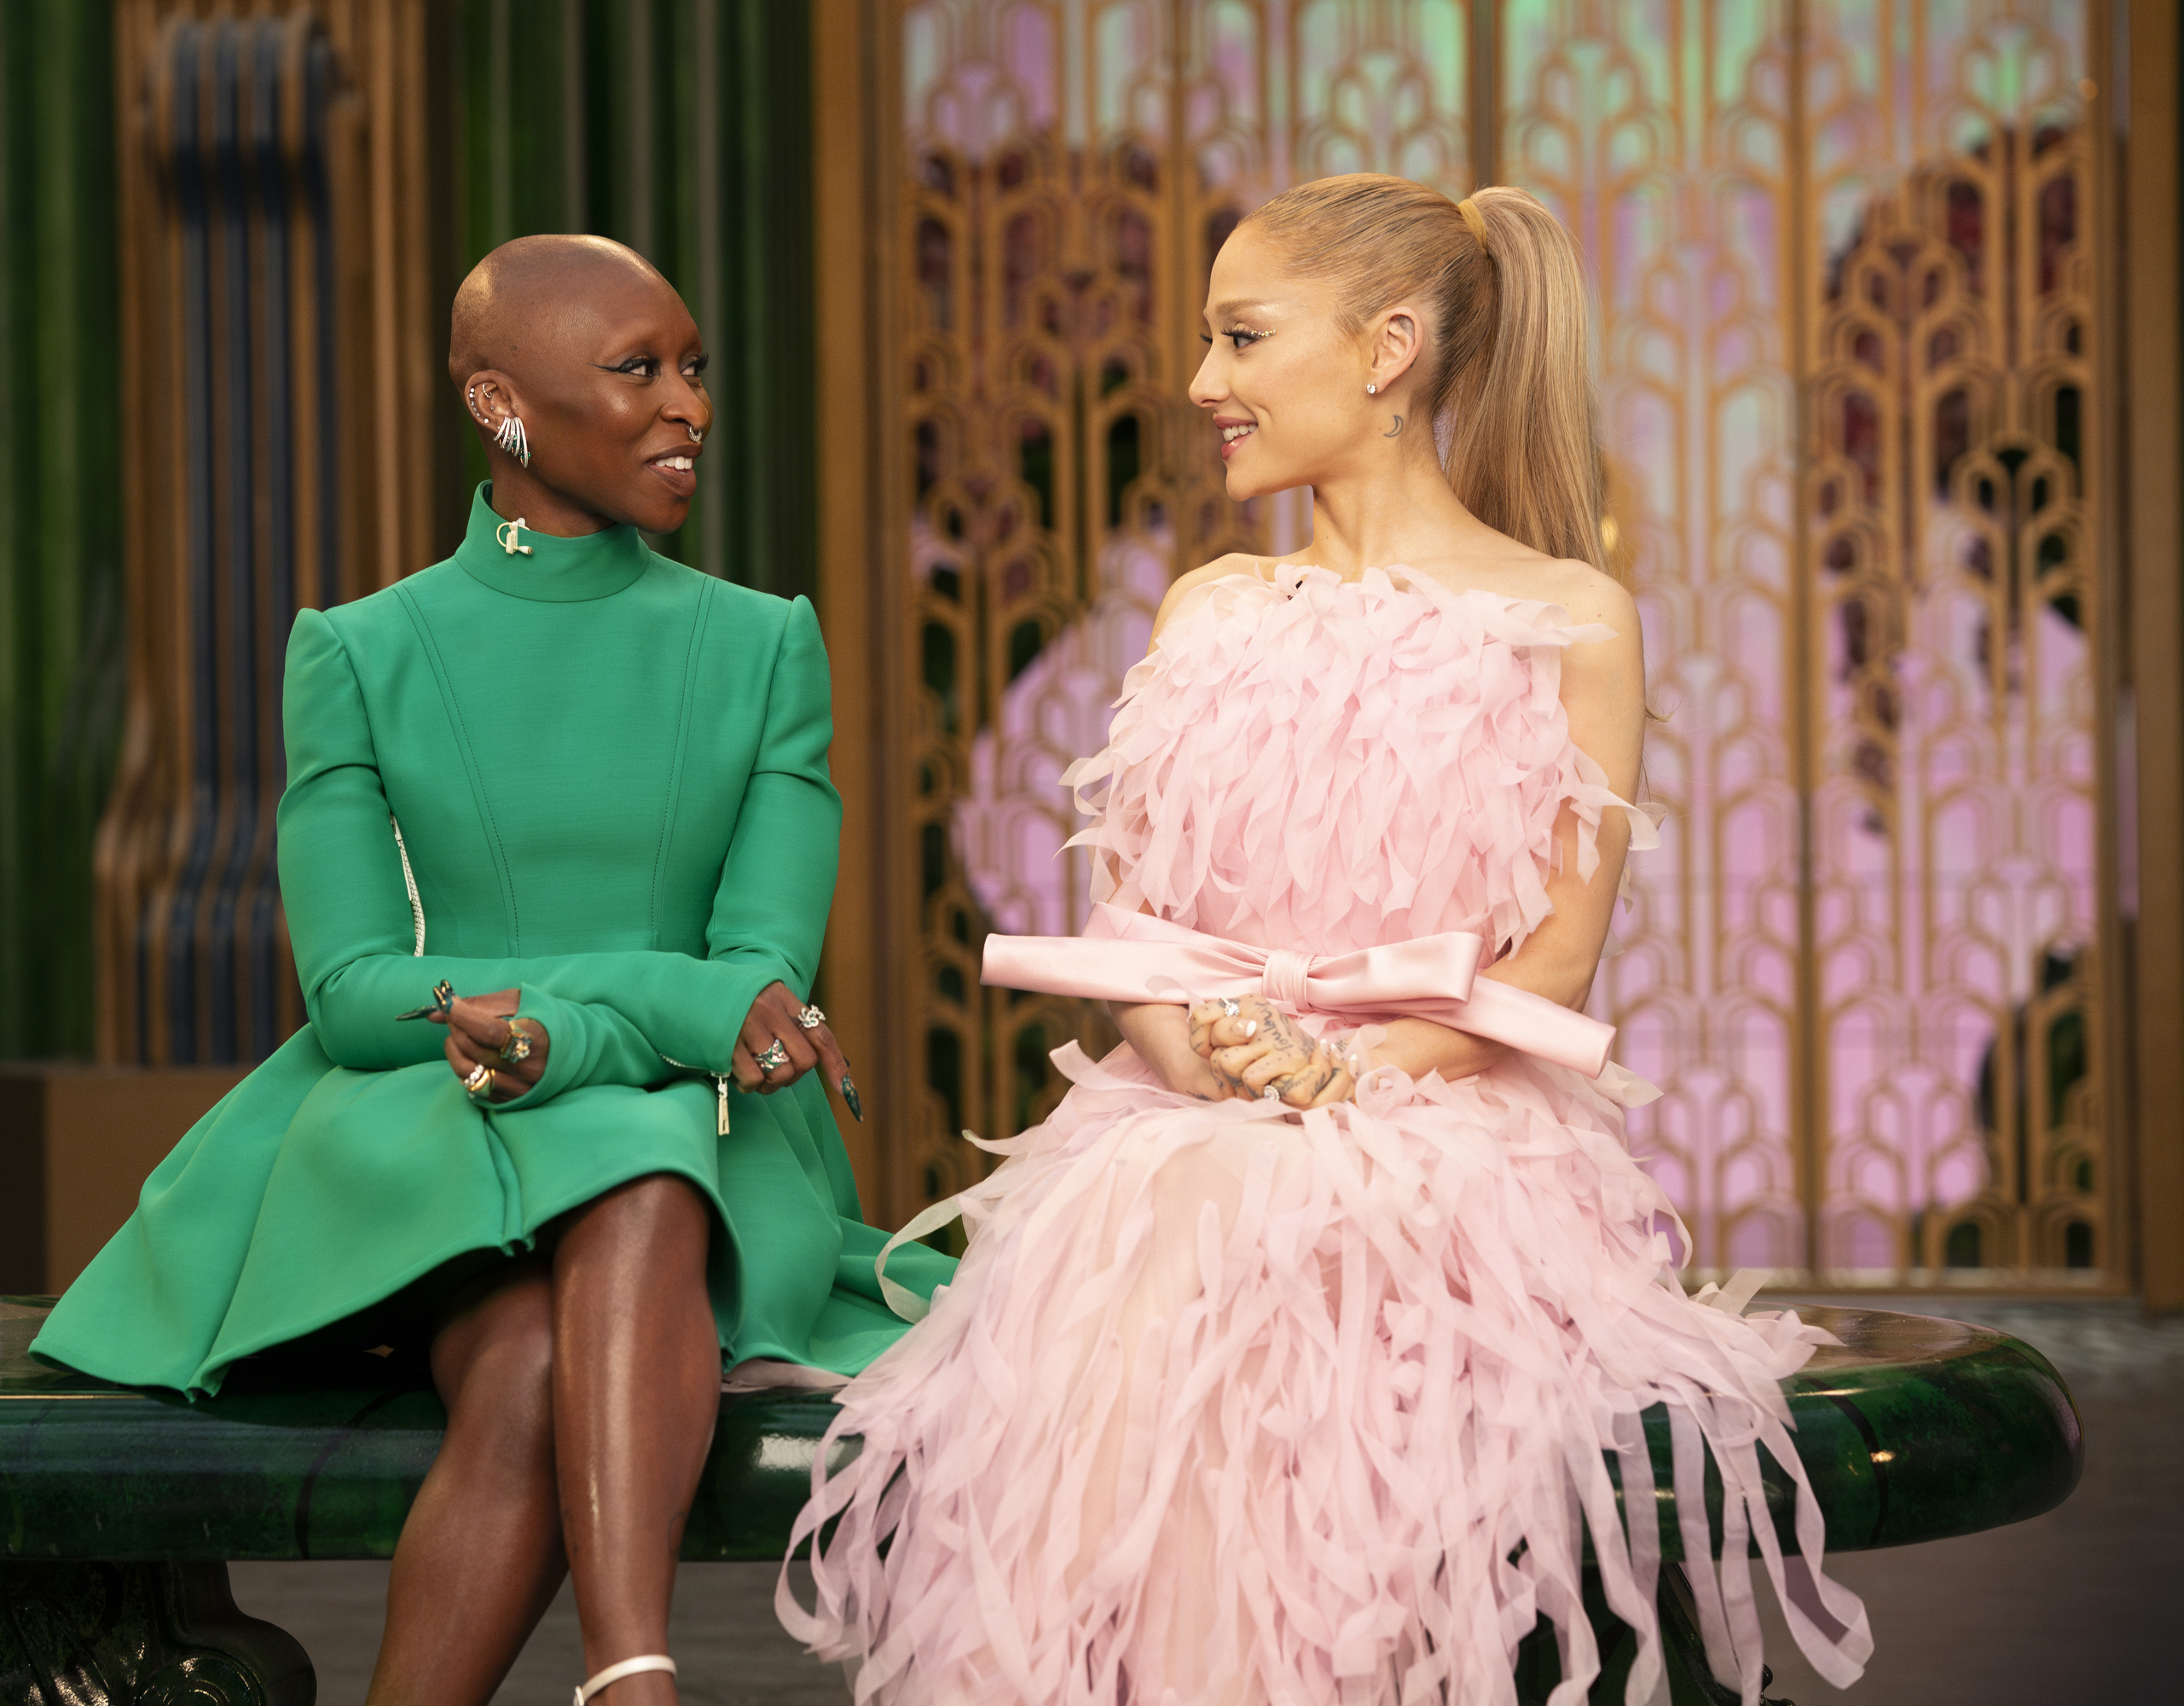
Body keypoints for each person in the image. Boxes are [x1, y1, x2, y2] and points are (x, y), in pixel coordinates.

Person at [779, 177, 1874, 1704]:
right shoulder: (1208, 608)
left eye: (1241, 337)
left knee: (1258, 1236)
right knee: (1184, 1212)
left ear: (1387, 351)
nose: (1201, 383)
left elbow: (1552, 970)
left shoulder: (1572, 616)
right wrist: (1214, 1055)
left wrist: (1335, 1079)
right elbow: (1143, 929)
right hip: (1186, 1124)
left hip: (1450, 1131)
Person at [32, 234, 947, 1706]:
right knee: (628, 1169)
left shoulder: (766, 644)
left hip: (698, 1144)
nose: (690, 407)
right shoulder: (360, 648)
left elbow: (765, 957)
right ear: (499, 405)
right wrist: (656, 1005)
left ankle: (626, 1677)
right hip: (448, 1136)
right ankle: (633, 1679)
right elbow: (351, 990)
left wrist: (601, 1026)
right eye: (637, 370)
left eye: (695, 367)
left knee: (574, 1295)